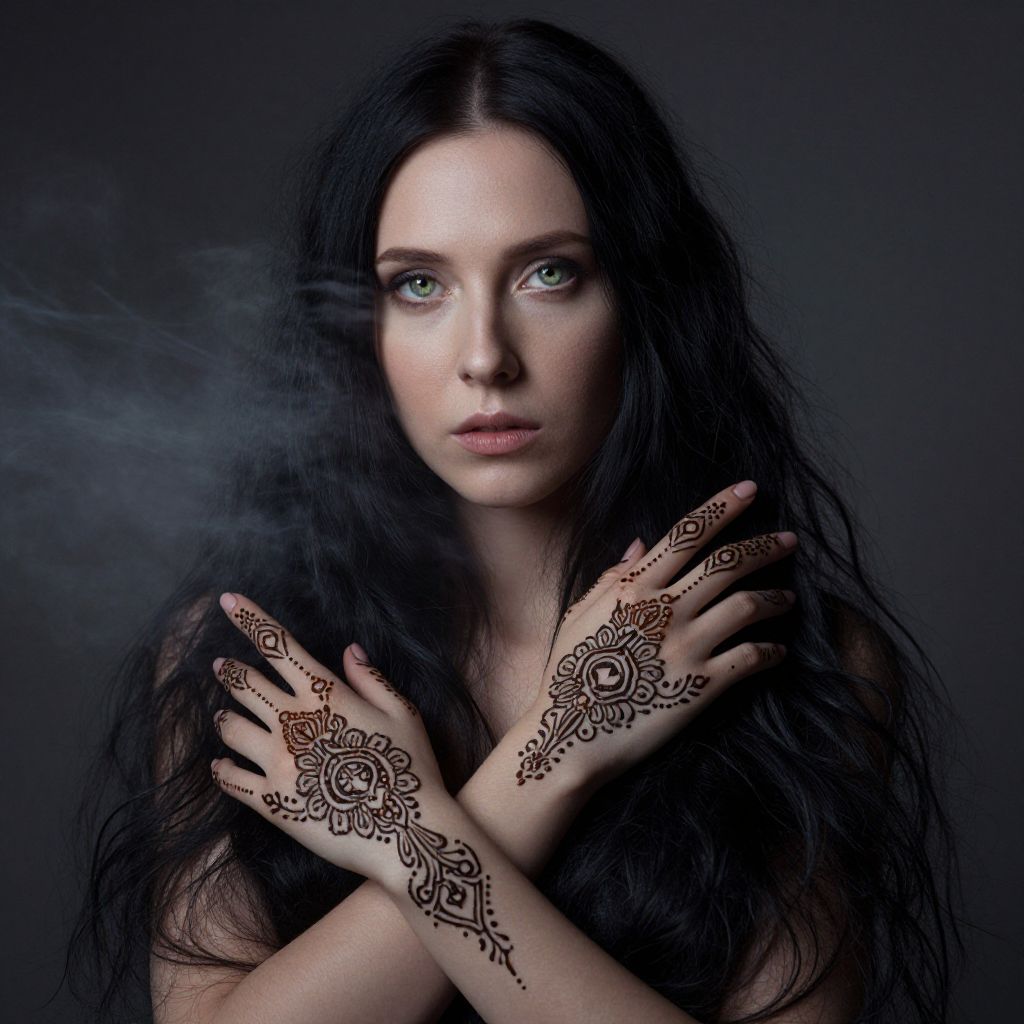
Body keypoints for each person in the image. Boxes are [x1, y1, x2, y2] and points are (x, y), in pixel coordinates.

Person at [65, 17, 965, 1024]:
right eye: (418, 285)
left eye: (548, 273)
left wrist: (408, 831)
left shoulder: (791, 658)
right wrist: (553, 751)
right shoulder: (244, 661)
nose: (484, 355)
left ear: (644, 300)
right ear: (360, 329)